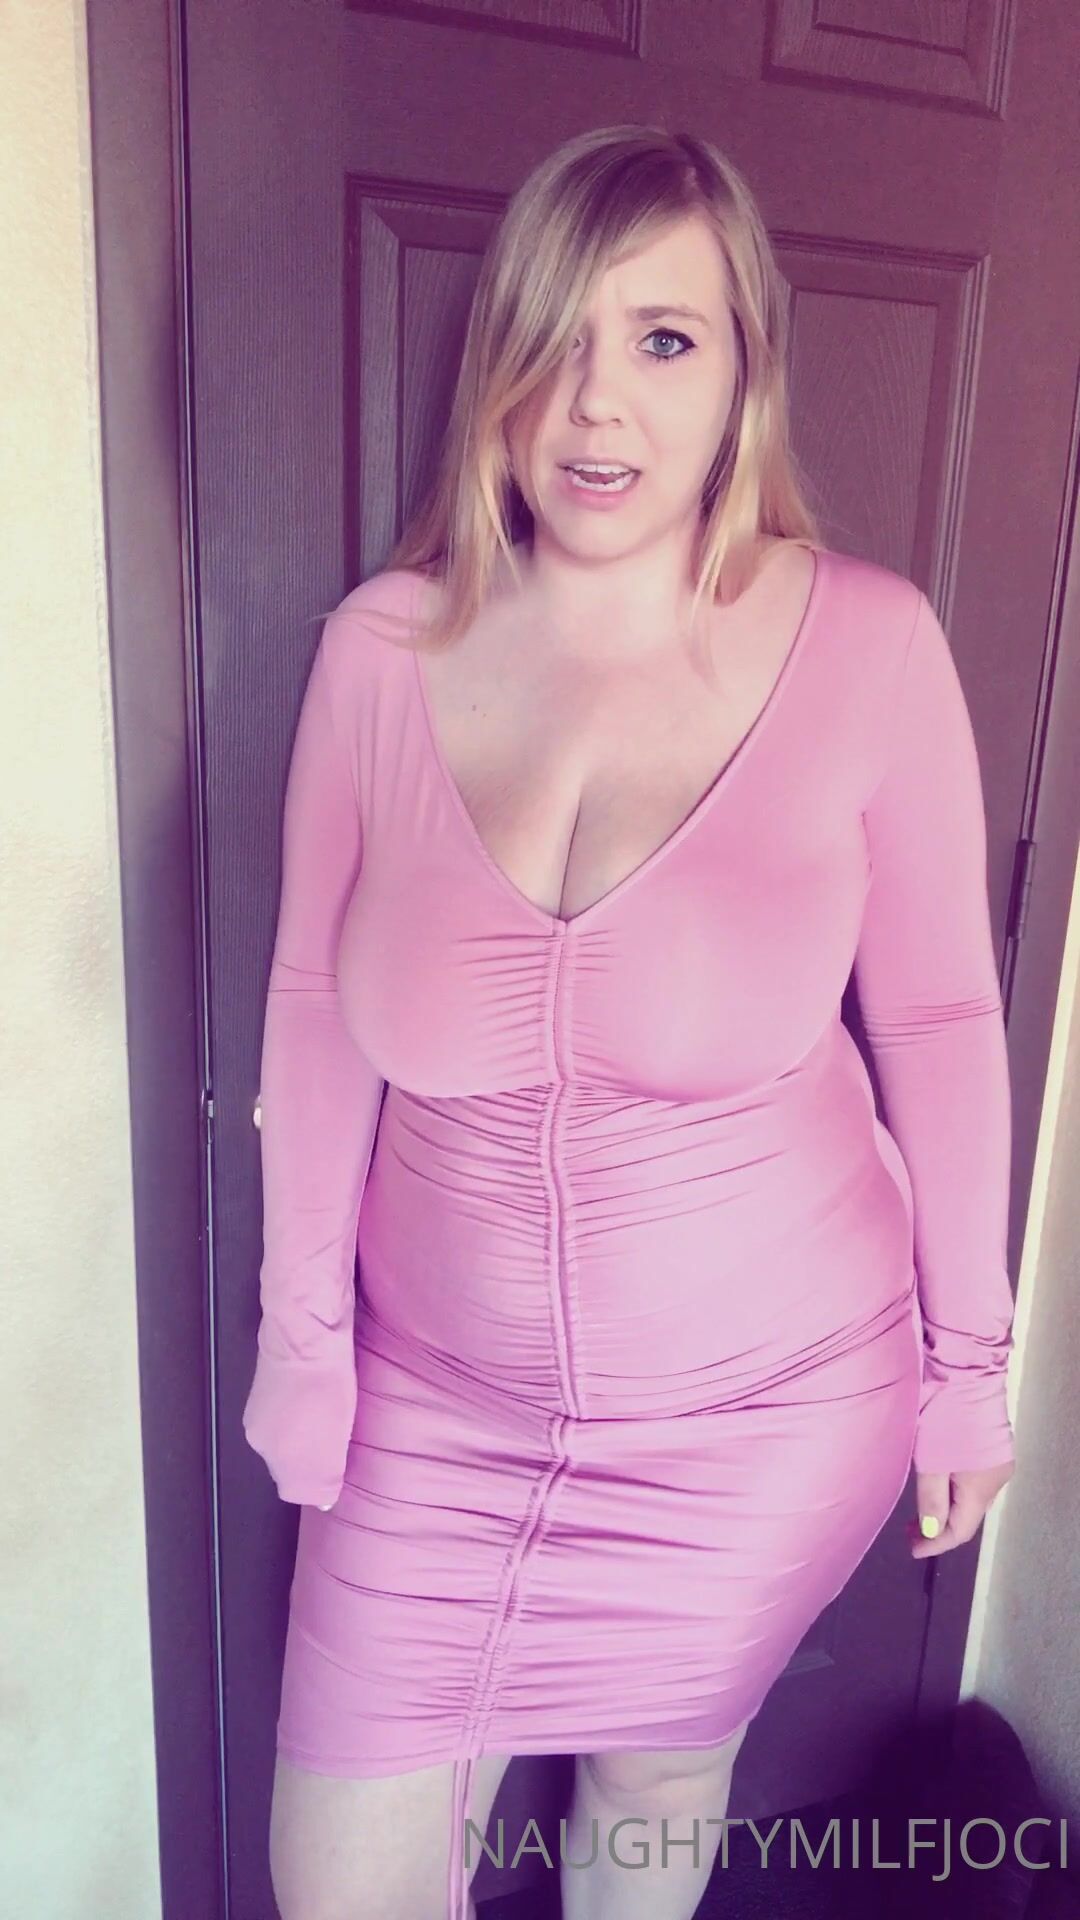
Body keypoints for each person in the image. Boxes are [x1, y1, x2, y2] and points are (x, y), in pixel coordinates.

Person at [242, 124, 1017, 1920]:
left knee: (654, 1800)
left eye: (665, 339)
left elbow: (938, 1014)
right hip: (430, 1418)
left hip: (762, 1419)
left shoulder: (872, 647)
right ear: (498, 369)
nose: (598, 405)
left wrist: (969, 1370)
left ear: (747, 369)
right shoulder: (381, 655)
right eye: (557, 338)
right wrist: (304, 1346)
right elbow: (312, 1009)